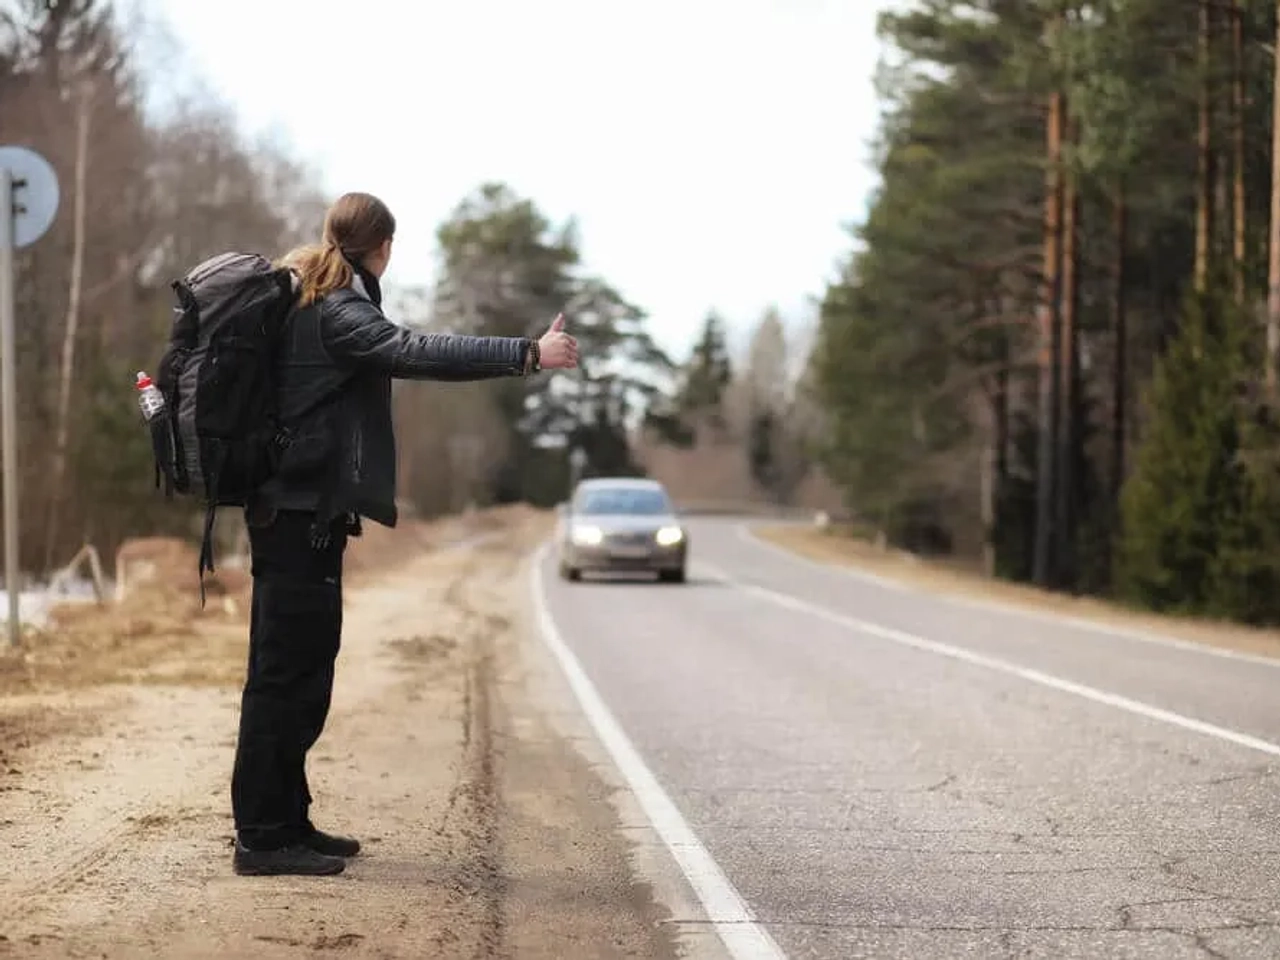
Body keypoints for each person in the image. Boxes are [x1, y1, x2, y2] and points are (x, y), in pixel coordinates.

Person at [230, 191, 577, 877]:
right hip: (297, 516)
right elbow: (416, 350)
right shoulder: (336, 309)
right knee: (285, 677)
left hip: (298, 513)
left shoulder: (312, 295)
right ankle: (264, 837)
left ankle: (285, 821)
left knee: (298, 670)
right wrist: (526, 353)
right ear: (382, 247)